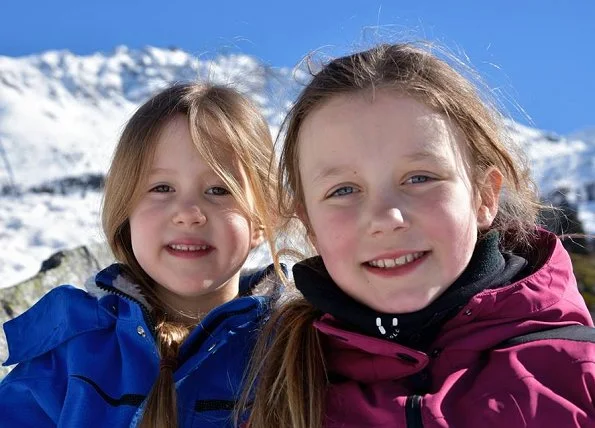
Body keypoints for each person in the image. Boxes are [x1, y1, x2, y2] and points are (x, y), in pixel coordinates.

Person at [240, 43, 595, 428]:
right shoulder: (263, 382)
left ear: (485, 196)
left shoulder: (578, 376)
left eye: (420, 178)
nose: (386, 218)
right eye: (342, 190)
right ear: (309, 224)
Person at [0, 82, 285, 428]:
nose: (188, 212)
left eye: (219, 189)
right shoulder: (71, 357)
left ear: (261, 219)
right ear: (126, 212)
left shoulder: (294, 349)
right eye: (161, 188)